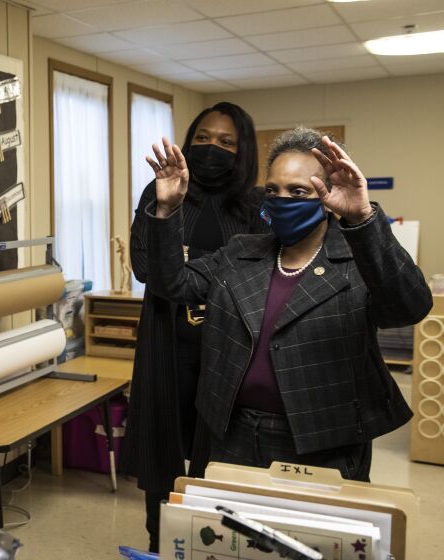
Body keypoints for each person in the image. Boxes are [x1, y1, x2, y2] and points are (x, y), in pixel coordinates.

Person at [144, 127, 431, 484]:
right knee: (227, 536)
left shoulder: (359, 259)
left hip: (322, 439)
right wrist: (168, 210)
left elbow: (409, 308)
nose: (282, 200)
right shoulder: (239, 252)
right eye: (273, 191)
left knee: (310, 538)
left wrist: (362, 218)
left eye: (298, 191)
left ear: (327, 194)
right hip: (229, 431)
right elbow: (170, 283)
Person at [120, 102, 268, 553]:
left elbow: (258, 272)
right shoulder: (159, 191)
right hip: (166, 346)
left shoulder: (257, 204)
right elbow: (146, 266)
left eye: (226, 142)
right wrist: (189, 256)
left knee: (221, 461)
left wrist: (186, 264)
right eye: (202, 138)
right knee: (163, 458)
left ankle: (214, 546)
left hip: (228, 353)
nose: (211, 148)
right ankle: (163, 542)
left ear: (242, 151)